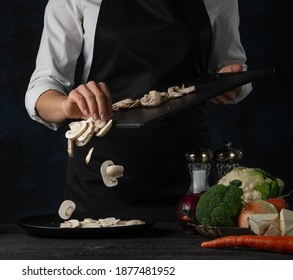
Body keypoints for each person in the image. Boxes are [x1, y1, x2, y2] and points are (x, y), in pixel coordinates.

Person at [25, 0, 252, 222]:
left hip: (189, 173)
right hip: (103, 173)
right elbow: (43, 88)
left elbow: (233, 64)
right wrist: (65, 106)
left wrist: (232, 82)